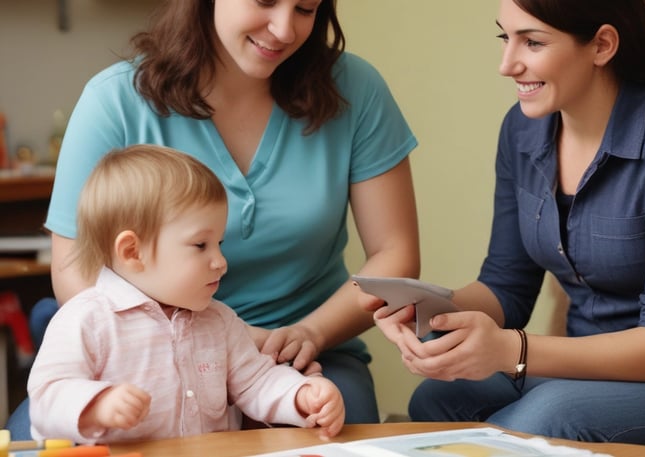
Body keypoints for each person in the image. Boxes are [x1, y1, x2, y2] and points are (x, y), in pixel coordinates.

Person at [362, 1, 645, 456]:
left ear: (602, 44)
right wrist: (428, 308)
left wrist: (508, 350)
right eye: (505, 37)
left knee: (549, 416)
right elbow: (506, 288)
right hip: (588, 375)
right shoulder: (522, 130)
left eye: (532, 42)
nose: (506, 64)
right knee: (441, 397)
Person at [5, 0, 420, 439]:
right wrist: (219, 338)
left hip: (303, 353)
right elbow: (77, 268)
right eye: (264, 1)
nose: (283, 28)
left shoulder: (356, 89)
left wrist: (308, 334)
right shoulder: (115, 100)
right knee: (35, 438)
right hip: (137, 352)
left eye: (305, 7)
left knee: (336, 430)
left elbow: (395, 254)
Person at [28, 145, 345, 443]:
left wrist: (301, 396)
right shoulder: (86, 320)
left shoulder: (219, 321)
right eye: (200, 245)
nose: (220, 262)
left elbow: (257, 382)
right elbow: (45, 399)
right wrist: (97, 405)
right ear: (132, 251)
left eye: (219, 244)